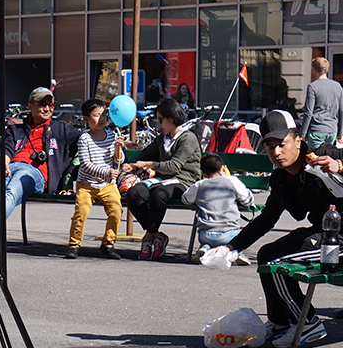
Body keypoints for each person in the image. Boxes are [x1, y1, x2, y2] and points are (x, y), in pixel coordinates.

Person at [206, 110, 343, 348]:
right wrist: (231, 247)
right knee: (265, 255)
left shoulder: (323, 156)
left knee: (276, 261)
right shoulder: (280, 179)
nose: (276, 153)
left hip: (338, 240)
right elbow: (266, 218)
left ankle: (307, 323)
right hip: (324, 235)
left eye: (281, 144)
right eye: (270, 147)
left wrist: (339, 165)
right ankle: (280, 322)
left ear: (298, 140)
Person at [0, 87, 81, 254]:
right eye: (42, 104)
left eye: (50, 105)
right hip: (9, 166)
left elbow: (86, 139)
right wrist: (5, 162)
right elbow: (7, 146)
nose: (47, 108)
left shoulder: (62, 129)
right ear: (30, 106)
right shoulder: (16, 129)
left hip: (34, 172)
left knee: (12, 190)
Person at [121, 97, 201, 260]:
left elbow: (174, 166)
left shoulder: (187, 138)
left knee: (159, 194)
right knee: (133, 193)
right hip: (163, 181)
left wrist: (147, 164)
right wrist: (133, 164)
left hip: (184, 181)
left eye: (161, 120)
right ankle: (157, 235)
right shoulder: (162, 138)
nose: (159, 124)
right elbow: (145, 152)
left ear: (171, 119)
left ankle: (148, 238)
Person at [65, 99, 125, 259]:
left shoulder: (112, 135)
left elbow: (119, 160)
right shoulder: (84, 138)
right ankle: (74, 244)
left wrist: (118, 148)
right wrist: (107, 172)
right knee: (81, 212)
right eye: (97, 115)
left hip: (107, 184)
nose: (102, 119)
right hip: (86, 184)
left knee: (116, 210)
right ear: (86, 119)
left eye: (104, 114)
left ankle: (108, 243)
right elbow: (85, 164)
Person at [181, 153, 254, 264]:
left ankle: (205, 247)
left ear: (204, 174)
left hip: (205, 234)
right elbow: (248, 200)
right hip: (229, 233)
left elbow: (185, 199)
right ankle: (236, 253)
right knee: (234, 243)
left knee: (208, 240)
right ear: (222, 168)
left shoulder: (199, 185)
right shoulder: (232, 181)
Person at [298, 57, 343, 150]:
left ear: (315, 71)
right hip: (332, 131)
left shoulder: (313, 86)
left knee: (316, 161)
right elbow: (341, 110)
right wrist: (340, 132)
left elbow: (308, 112)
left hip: (317, 130)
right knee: (328, 160)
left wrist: (302, 134)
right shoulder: (337, 86)